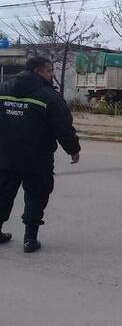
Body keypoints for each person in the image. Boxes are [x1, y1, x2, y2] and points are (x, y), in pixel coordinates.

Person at [0, 57, 80, 253]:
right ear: (38, 71)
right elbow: (63, 127)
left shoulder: (3, 89)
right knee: (37, 195)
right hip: (37, 158)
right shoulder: (49, 96)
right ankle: (30, 239)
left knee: (2, 192)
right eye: (49, 71)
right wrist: (73, 150)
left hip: (5, 155)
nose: (52, 75)